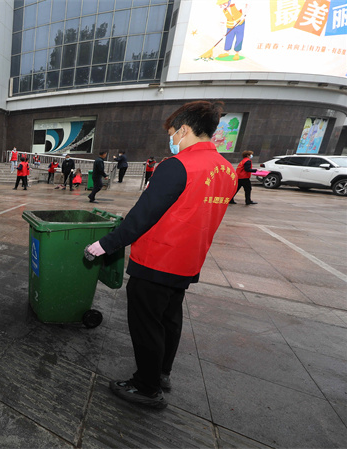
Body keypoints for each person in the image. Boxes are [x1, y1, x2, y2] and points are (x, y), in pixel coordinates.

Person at [85, 101, 235, 410]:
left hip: (157, 260)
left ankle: (146, 386)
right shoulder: (226, 170)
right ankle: (162, 372)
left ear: (183, 129)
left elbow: (142, 216)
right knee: (169, 319)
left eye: (172, 133)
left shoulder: (177, 166)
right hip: (189, 260)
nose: (171, 139)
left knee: (146, 325)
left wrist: (105, 245)